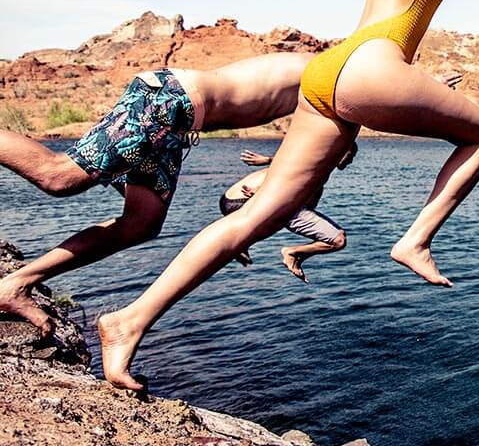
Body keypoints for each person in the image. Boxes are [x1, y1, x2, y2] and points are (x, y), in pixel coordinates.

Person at [97, 0, 479, 390]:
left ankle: (127, 323)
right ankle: (416, 240)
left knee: (255, 220)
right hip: (370, 65)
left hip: (333, 77)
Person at [0, 53, 313, 336]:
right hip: (168, 101)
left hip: (176, 123)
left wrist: (243, 230)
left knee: (142, 223)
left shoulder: (328, 76)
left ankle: (15, 285)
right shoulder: (328, 73)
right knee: (58, 177)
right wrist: (245, 230)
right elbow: (302, 169)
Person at [220, 145, 357, 283]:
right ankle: (291, 253)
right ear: (339, 152)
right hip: (248, 198)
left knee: (294, 212)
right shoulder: (321, 166)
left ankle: (240, 243)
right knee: (338, 240)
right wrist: (263, 191)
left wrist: (268, 160)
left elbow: (295, 163)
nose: (351, 160)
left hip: (230, 199)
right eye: (350, 155)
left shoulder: (318, 165)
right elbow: (295, 170)